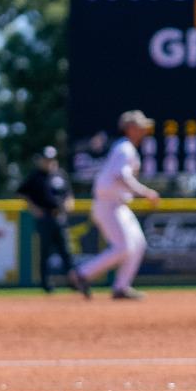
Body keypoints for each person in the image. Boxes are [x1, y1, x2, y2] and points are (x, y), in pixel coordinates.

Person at [70, 110, 161, 301]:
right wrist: (145, 192)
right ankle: (82, 274)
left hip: (118, 205)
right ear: (129, 128)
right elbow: (121, 175)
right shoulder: (124, 149)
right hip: (108, 204)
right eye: (140, 126)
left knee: (138, 245)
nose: (144, 130)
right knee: (123, 247)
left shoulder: (126, 148)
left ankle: (121, 287)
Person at [16, 146, 82, 295]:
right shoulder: (35, 176)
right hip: (44, 217)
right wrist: (34, 208)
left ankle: (73, 282)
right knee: (45, 251)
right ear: (41, 160)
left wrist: (69, 201)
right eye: (46, 159)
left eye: (51, 159)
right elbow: (21, 192)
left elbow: (69, 193)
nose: (48, 162)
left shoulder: (60, 174)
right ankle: (46, 284)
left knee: (66, 251)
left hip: (60, 217)